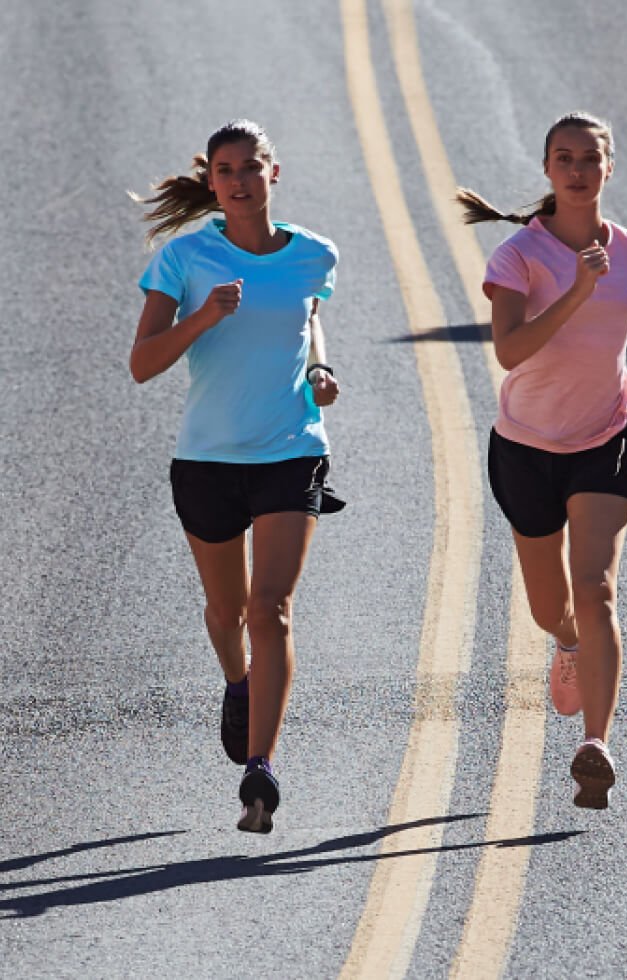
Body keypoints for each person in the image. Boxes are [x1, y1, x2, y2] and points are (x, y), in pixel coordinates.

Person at [457, 111, 627, 810]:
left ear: (608, 168)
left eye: (588, 159)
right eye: (563, 158)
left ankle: (596, 744)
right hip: (526, 446)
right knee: (552, 609)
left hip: (607, 436)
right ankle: (567, 644)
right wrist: (574, 290)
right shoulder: (520, 256)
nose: (576, 170)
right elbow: (508, 352)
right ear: (547, 170)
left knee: (596, 587)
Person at [130, 119, 341, 833]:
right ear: (212, 182)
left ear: (273, 174)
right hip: (208, 459)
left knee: (269, 609)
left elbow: (308, 314)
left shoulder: (314, 254)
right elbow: (142, 363)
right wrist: (203, 319)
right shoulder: (183, 259)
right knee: (227, 616)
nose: (241, 180)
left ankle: (261, 769)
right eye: (227, 170)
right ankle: (237, 682)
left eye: (252, 167)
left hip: (291, 447)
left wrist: (320, 366)